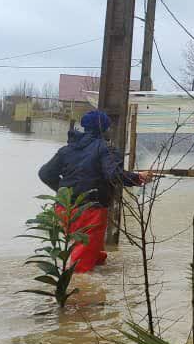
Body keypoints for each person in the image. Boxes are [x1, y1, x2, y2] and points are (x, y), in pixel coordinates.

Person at [38, 110, 150, 272]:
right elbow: (114, 175)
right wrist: (138, 178)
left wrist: (66, 192)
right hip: (90, 211)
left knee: (87, 249)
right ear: (103, 129)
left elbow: (45, 173)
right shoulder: (105, 149)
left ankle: (98, 264)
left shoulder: (67, 150)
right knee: (79, 269)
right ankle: (80, 294)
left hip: (64, 209)